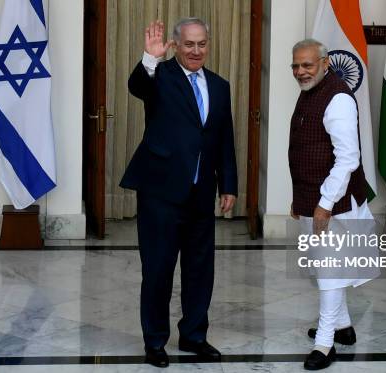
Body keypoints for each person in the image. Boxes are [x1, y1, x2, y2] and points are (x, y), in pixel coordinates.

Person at [119, 18, 238, 368]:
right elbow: (136, 86)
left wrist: (228, 184)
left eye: (202, 44)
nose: (196, 51)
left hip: (202, 193)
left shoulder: (220, 85)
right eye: (189, 44)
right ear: (176, 44)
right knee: (158, 269)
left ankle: (194, 336)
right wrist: (150, 59)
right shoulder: (159, 76)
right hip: (160, 192)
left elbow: (224, 138)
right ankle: (155, 341)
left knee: (200, 270)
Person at [288, 39, 375, 371]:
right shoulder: (310, 91)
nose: (300, 71)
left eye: (307, 65)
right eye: (296, 65)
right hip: (312, 198)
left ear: (325, 64)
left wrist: (324, 204)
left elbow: (347, 158)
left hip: (335, 203)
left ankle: (325, 344)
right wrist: (301, 200)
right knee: (325, 268)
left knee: (330, 274)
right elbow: (307, 150)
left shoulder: (337, 98)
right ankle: (344, 328)